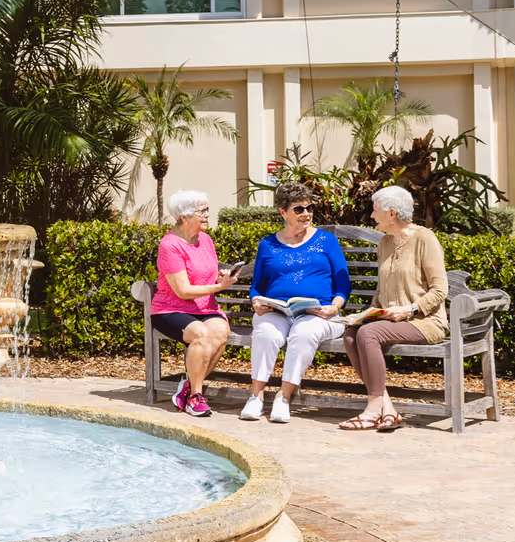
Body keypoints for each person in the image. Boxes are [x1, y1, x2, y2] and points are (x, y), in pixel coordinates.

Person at [341, 185, 449, 432]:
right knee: (350, 334)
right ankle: (387, 407)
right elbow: (382, 289)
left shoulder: (425, 239)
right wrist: (366, 314)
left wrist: (410, 309)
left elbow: (440, 290)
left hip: (425, 321)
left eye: (375, 210)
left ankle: (372, 408)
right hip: (390, 321)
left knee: (369, 334)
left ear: (391, 214)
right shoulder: (385, 243)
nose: (371, 216)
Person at [244, 182, 350, 422]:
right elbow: (257, 286)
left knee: (303, 333)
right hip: (277, 311)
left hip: (320, 313)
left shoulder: (327, 241)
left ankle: (283, 397)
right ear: (283, 212)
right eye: (299, 209)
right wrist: (256, 302)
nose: (306, 214)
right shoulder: (268, 245)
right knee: (266, 333)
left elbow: (343, 285)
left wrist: (334, 306)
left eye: (310, 208)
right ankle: (256, 396)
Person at [151, 189, 239, 418]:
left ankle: (187, 389)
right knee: (200, 333)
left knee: (220, 330)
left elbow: (205, 275)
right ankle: (194, 397)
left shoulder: (206, 240)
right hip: (171, 308)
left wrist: (220, 276)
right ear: (184, 216)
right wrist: (220, 287)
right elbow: (183, 290)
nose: (207, 215)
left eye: (206, 210)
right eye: (202, 211)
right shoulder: (170, 245)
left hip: (204, 307)